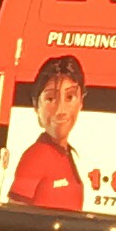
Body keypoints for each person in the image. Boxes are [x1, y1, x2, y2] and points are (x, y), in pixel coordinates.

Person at [9, 54, 91, 212]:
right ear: (36, 104)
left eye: (70, 97)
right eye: (51, 99)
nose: (60, 110)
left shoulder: (66, 154)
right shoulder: (36, 156)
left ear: (81, 101)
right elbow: (14, 217)